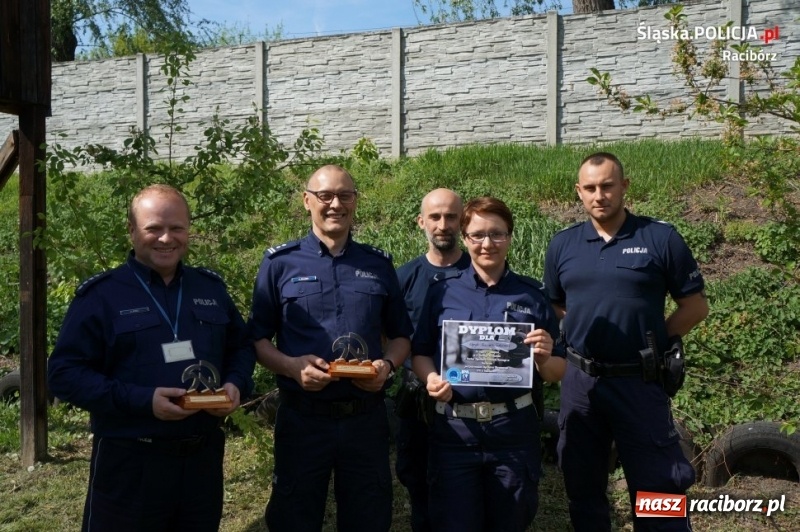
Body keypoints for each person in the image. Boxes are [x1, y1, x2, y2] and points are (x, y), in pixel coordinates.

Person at [48, 184, 255, 532]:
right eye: (153, 228)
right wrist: (143, 401)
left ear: (189, 229)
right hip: (131, 461)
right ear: (131, 231)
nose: (165, 238)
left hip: (201, 461)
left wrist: (236, 384)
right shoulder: (102, 295)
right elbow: (64, 374)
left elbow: (242, 346)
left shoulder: (210, 288)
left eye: (176, 228)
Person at [544, 152, 709, 531]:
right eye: (590, 188)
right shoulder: (563, 245)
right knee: (582, 487)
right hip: (580, 384)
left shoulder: (659, 237)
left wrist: (654, 340)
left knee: (659, 489)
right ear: (579, 192)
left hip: (640, 381)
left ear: (624, 187)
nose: (599, 195)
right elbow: (554, 307)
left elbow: (695, 307)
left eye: (607, 185)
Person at [248, 164, 413, 532]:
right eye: (325, 195)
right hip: (303, 419)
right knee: (294, 516)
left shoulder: (378, 264)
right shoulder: (279, 263)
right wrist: (291, 366)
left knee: (368, 517)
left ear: (356, 202)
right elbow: (257, 339)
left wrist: (387, 366)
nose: (335, 203)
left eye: (345, 195)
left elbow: (401, 336)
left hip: (365, 419)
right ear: (307, 201)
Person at [412, 196, 566, 532]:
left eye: (497, 234)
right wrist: (431, 378)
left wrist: (543, 357)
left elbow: (557, 371)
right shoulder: (441, 292)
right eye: (477, 235)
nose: (487, 244)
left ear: (510, 236)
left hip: (512, 431)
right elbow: (420, 351)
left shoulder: (532, 294)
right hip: (455, 432)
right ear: (465, 238)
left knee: (510, 521)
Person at [395, 188, 471, 532]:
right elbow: (388, 336)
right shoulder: (403, 278)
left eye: (451, 217)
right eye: (435, 217)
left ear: (462, 221)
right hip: (418, 399)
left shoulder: (482, 269)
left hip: (471, 400)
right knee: (419, 480)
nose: (443, 225)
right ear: (421, 222)